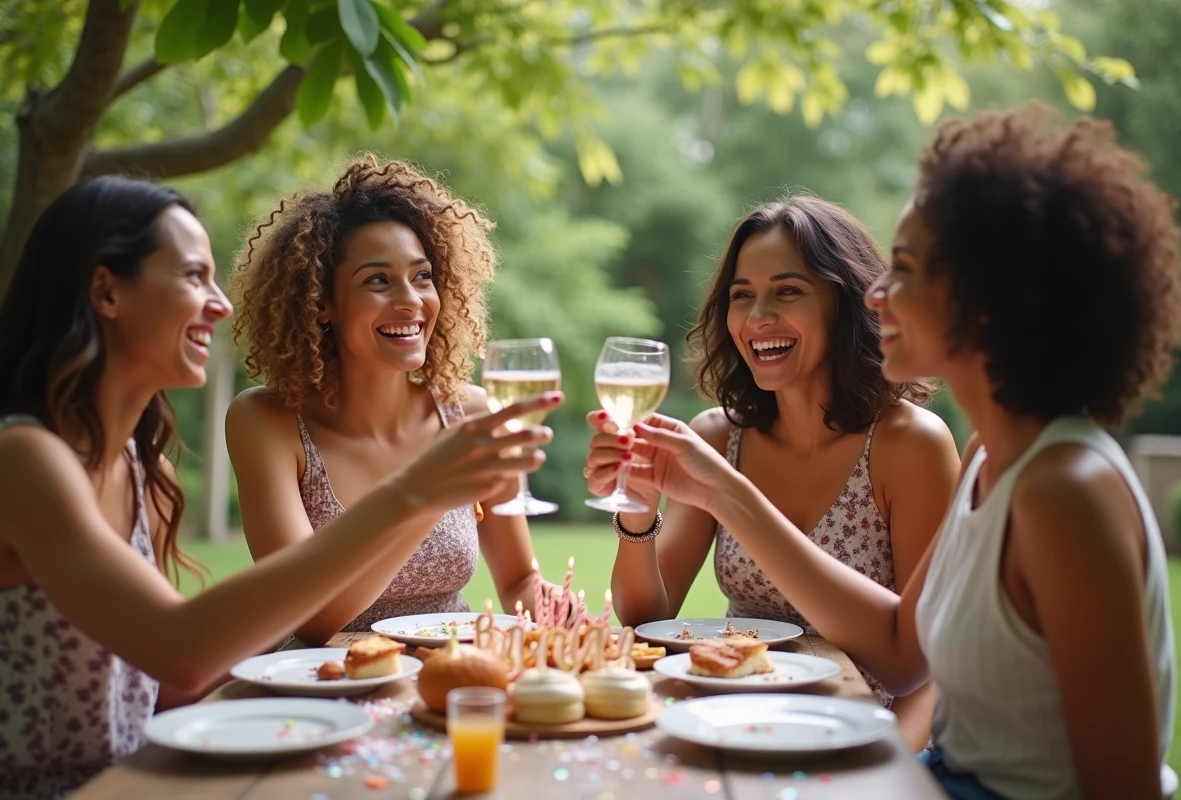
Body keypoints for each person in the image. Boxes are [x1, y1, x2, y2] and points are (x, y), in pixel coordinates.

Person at [602, 105, 1181, 800]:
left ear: (987, 300)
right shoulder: (989, 461)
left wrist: (726, 493)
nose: (875, 294)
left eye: (901, 271)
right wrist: (686, 498)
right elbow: (907, 652)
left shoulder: (1066, 489)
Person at [0, 175, 558, 798]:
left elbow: (165, 681)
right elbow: (181, 650)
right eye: (192, 277)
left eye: (422, 275)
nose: (222, 303)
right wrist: (415, 494)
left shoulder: (138, 464)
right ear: (106, 291)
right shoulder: (25, 459)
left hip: (144, 775)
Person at [584, 195, 961, 751]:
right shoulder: (718, 437)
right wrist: (638, 509)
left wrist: (885, 772)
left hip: (865, 736)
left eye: (787, 291)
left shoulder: (910, 445)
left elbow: (927, 673)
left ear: (846, 301)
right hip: (736, 723)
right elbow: (646, 617)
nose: (759, 318)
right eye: (742, 296)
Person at [226, 156, 548, 644]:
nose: (411, 301)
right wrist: (425, 496)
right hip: (319, 691)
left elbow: (519, 580)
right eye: (378, 280)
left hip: (448, 683)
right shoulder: (267, 422)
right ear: (322, 304)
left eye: (422, 277)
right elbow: (309, 620)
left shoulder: (470, 413)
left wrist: (562, 617)